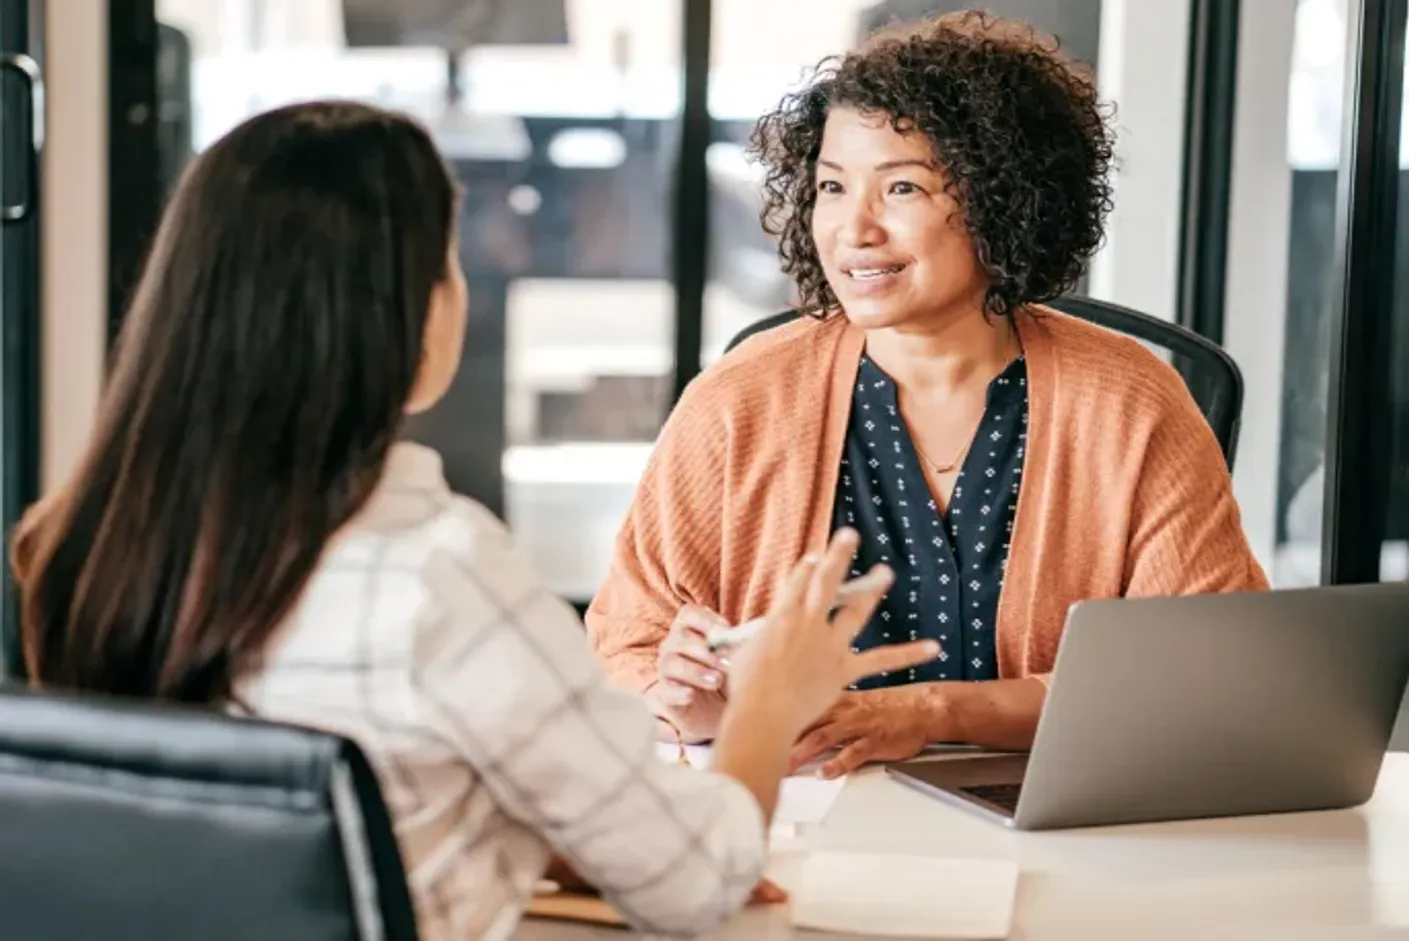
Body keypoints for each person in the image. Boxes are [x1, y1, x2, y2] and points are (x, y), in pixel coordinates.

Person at [8, 101, 938, 941]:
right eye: (449, 260)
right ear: (402, 316)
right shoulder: (436, 574)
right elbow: (695, 883)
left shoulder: (79, 544)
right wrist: (770, 702)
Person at [586, 11, 1268, 779]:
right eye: (832, 188)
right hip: (800, 811)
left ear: (1001, 197)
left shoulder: (1129, 401)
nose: (854, 229)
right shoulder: (739, 399)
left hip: (1051, 817)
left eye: (901, 186)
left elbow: (1197, 675)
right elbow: (627, 644)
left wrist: (935, 711)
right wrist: (688, 697)